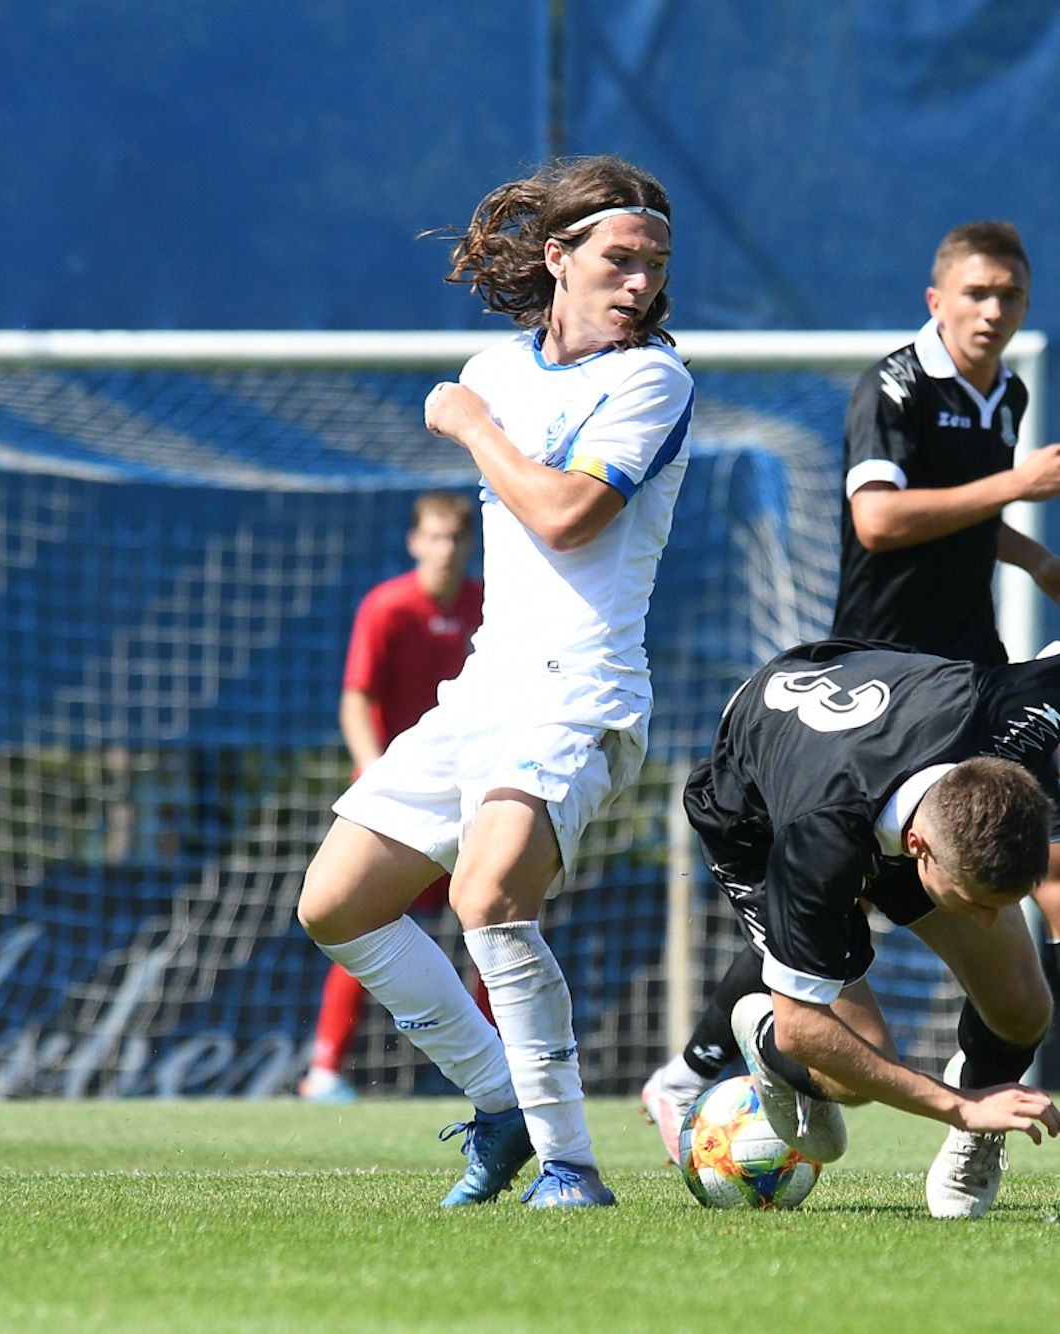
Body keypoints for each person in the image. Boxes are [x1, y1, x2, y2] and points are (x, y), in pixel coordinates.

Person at [297, 154, 693, 1208]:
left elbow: (567, 514)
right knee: (334, 903)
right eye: (619, 260)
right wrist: (480, 402)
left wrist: (469, 425)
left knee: (484, 895)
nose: (639, 284)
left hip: (581, 688)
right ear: (557, 258)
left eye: (653, 264)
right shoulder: (496, 367)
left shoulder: (651, 378)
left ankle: (570, 1163)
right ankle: (503, 1100)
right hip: (485, 687)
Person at [641, 219, 1060, 1161]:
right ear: (936, 300)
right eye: (978, 293)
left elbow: (964, 519)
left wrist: (1031, 555)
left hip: (965, 671)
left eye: (1012, 297)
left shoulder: (1006, 393)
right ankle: (716, 1056)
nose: (994, 311)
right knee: (832, 917)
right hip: (880, 675)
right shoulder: (894, 386)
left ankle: (984, 1097)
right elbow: (877, 520)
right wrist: (1019, 488)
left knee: (1019, 879)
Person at [684, 637, 1060, 1219]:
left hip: (893, 757)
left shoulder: (1014, 714)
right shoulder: (818, 846)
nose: (992, 919)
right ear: (919, 848)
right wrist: (955, 1106)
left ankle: (984, 1118)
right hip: (758, 818)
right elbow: (806, 1031)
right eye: (978, 901)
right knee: (851, 1071)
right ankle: (759, 1027)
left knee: (1022, 1007)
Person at [298, 489, 489, 1103]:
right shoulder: (387, 607)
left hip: (467, 798)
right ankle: (325, 1071)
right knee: (356, 916)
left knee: (494, 916)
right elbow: (357, 699)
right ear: (414, 542)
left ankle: (501, 1062)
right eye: (434, 536)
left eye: (456, 537)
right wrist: (375, 772)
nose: (445, 548)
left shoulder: (489, 606)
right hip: (400, 799)